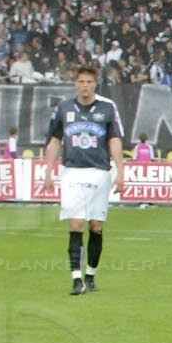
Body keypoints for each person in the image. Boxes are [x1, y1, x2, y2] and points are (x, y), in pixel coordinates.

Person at [42, 64, 125, 295]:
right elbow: (55, 141)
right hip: (72, 171)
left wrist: (121, 172)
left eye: (89, 82)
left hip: (99, 172)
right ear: (75, 83)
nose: (85, 86)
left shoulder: (108, 108)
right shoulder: (64, 108)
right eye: (81, 82)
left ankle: (90, 274)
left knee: (96, 226)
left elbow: (115, 141)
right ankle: (76, 279)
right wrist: (48, 172)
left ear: (95, 83)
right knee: (75, 224)